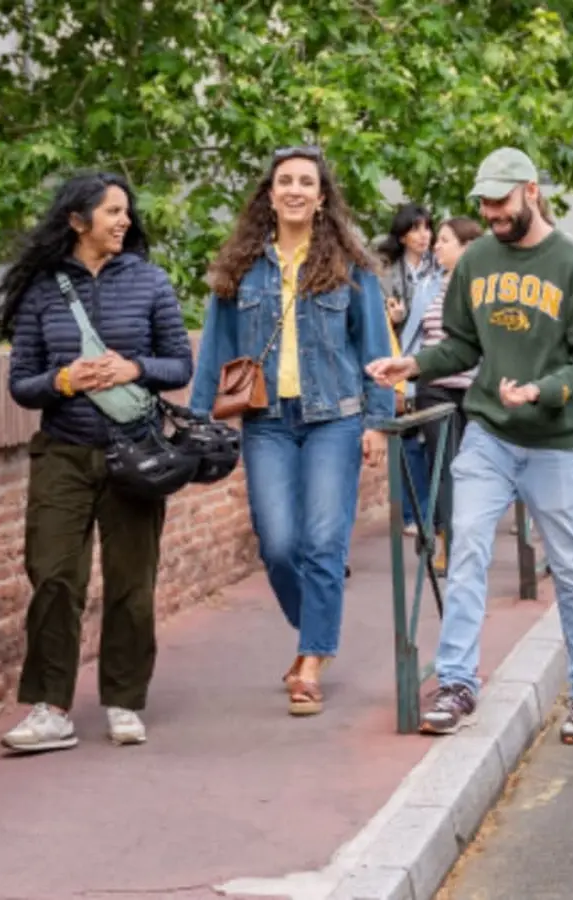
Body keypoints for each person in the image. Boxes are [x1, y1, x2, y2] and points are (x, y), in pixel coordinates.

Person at [367, 147, 573, 745]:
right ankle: (457, 683)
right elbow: (460, 347)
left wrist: (541, 390)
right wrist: (414, 363)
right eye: (483, 201)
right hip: (489, 434)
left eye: (501, 200)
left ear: (531, 191)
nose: (491, 211)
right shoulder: (475, 261)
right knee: (468, 547)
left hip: (555, 441)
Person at [0, 172, 194, 752]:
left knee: (133, 583)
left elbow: (179, 365)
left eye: (126, 211)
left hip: (137, 454)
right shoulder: (41, 290)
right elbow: (21, 385)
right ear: (77, 220)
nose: (124, 220)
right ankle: (50, 708)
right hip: (63, 452)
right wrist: (65, 378)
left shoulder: (150, 282)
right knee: (53, 576)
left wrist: (134, 368)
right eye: (112, 212)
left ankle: (124, 701)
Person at [191, 146, 392, 717]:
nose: (297, 190)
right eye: (286, 182)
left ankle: (310, 659)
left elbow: (375, 349)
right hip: (267, 422)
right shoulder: (241, 268)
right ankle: (317, 630)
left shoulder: (351, 267)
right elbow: (217, 348)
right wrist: (204, 419)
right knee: (278, 545)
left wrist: (377, 422)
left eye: (308, 181)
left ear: (322, 197)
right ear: (271, 195)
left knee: (325, 541)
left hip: (336, 416)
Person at [416, 216, 485, 575]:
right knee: (442, 466)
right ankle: (447, 544)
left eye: (444, 240)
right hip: (434, 388)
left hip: (474, 389)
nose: (436, 246)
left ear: (466, 246)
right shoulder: (430, 285)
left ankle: (470, 542)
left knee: (472, 468)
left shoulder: (483, 285)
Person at [378, 204, 439, 535]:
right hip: (402, 364)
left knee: (435, 441)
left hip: (434, 364)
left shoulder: (440, 270)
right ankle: (413, 514)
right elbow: (379, 325)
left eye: (427, 228)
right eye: (416, 229)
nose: (423, 235)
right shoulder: (387, 274)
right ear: (402, 235)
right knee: (408, 444)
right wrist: (394, 318)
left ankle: (433, 512)